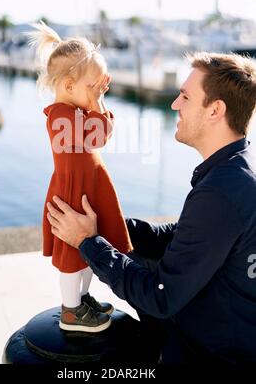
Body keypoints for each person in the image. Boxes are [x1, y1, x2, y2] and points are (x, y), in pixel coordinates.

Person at [46, 52, 256, 364]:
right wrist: (112, 223)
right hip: (230, 318)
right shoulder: (236, 170)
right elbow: (184, 235)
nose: (174, 104)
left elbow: (160, 297)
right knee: (129, 247)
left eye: (184, 96)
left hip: (209, 351)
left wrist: (88, 243)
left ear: (215, 110)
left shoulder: (220, 194)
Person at [26, 21, 133, 333]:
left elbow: (104, 134)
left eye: (102, 87)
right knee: (74, 256)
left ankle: (83, 299)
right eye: (94, 86)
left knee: (88, 251)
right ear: (69, 85)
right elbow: (96, 137)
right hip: (73, 192)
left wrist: (96, 100)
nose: (99, 92)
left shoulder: (81, 110)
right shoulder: (60, 114)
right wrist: (97, 104)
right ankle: (71, 311)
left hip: (92, 186)